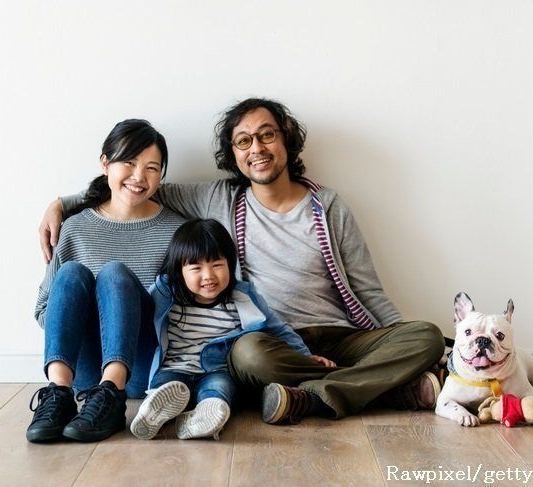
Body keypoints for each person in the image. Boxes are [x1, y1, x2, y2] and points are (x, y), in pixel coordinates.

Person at [38, 98, 445, 425]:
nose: (257, 149)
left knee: (427, 336)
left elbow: (367, 289)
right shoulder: (217, 199)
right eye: (244, 141)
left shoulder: (328, 205)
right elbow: (132, 187)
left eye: (267, 135)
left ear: (286, 140)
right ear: (233, 155)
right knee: (249, 355)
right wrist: (63, 203)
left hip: (340, 337)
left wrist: (405, 342)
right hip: (265, 342)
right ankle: (385, 390)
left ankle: (316, 397)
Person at [27, 119, 185, 443]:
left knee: (114, 274)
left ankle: (113, 393)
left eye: (152, 168)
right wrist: (85, 317)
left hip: (140, 367)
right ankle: (57, 394)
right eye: (129, 162)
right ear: (105, 164)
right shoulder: (74, 227)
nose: (139, 176)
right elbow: (43, 309)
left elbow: (185, 313)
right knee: (71, 273)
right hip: (83, 371)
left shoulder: (176, 231)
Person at [130, 218, 330, 440]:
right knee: (167, 386)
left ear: (230, 263)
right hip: (175, 367)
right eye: (196, 268)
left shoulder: (242, 297)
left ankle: (205, 415)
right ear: (180, 271)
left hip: (218, 370)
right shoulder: (166, 293)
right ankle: (153, 411)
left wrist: (305, 356)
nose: (209, 276)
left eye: (217, 265)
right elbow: (139, 320)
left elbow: (279, 329)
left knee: (220, 388)